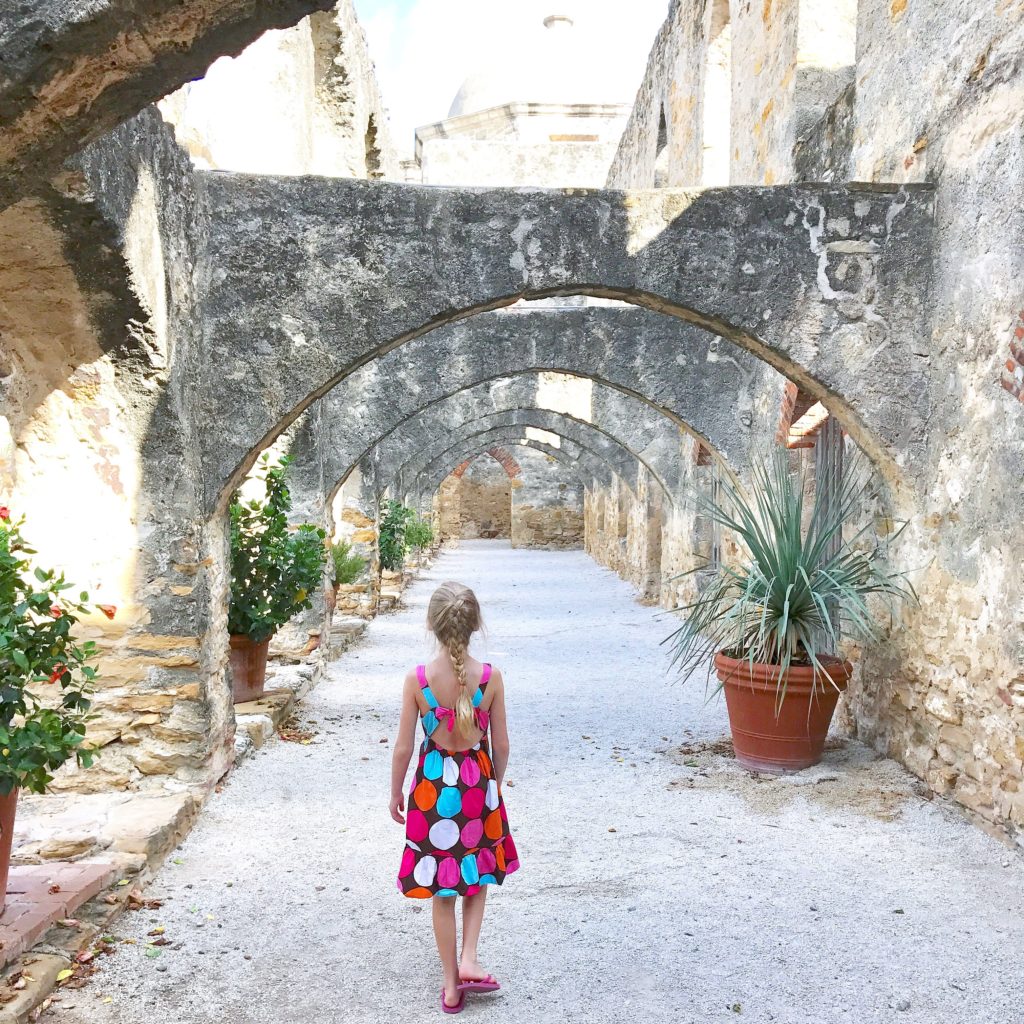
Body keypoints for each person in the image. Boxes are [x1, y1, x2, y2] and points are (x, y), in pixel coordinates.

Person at [390, 581, 519, 1014]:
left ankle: (450, 985)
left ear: (431, 624)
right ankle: (469, 958)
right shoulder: (491, 679)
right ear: (476, 624)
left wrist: (395, 794)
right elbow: (500, 745)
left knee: (442, 889)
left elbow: (404, 748)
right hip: (476, 791)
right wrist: (494, 785)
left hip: (431, 793)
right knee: (476, 873)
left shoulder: (418, 680)